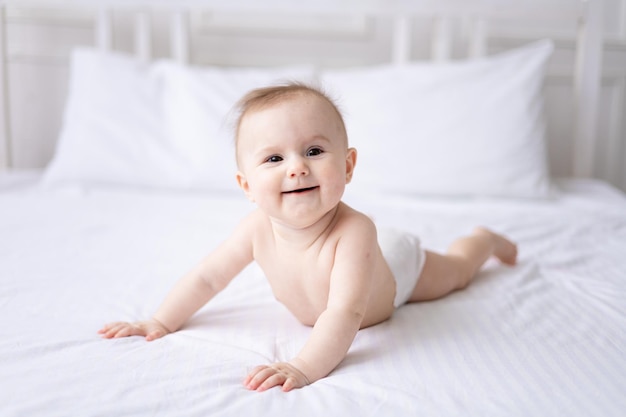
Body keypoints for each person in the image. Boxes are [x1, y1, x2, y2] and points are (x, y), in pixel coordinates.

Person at [99, 83, 517, 392]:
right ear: (246, 185)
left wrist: (302, 367)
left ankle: (483, 240)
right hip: (372, 258)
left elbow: (345, 313)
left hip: (396, 269)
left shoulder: (354, 231)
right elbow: (207, 278)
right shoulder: (255, 228)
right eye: (274, 158)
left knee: (458, 273)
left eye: (314, 151)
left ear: (349, 166)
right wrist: (159, 320)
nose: (296, 168)